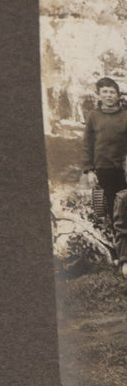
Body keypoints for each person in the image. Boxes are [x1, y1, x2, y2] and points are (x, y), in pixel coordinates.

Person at [82, 77, 127, 264]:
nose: (109, 95)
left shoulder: (125, 115)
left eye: (112, 92)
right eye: (105, 92)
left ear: (118, 95)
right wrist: (89, 170)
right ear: (99, 95)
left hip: (123, 170)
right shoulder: (93, 116)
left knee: (125, 209)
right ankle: (119, 255)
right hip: (103, 170)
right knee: (111, 211)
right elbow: (87, 145)